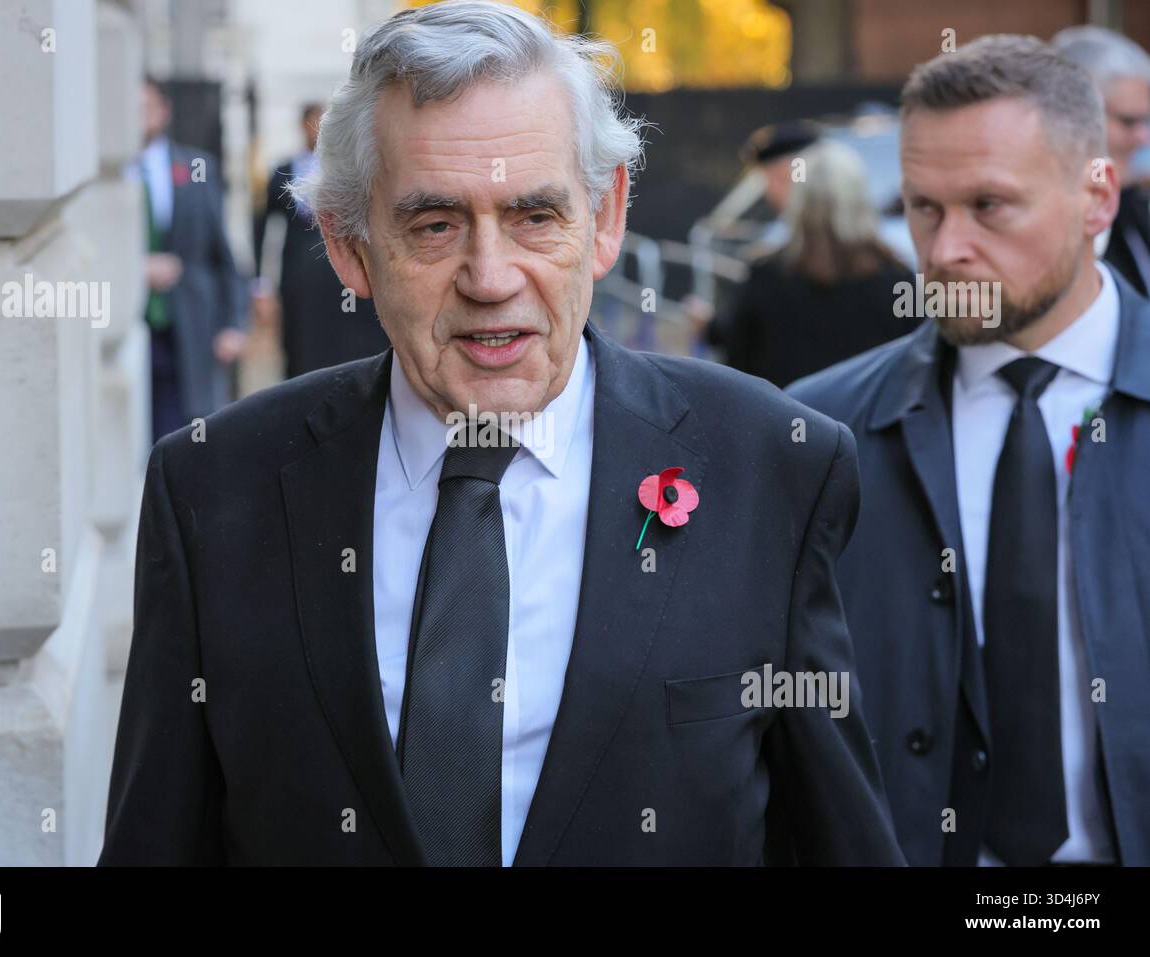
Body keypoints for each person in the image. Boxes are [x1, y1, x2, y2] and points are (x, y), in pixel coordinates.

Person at [99, 0, 902, 867]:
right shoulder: (214, 488)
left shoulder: (770, 465)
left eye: (535, 216)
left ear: (606, 217)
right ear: (347, 245)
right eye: (435, 225)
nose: (491, 277)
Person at [789, 35, 1150, 866]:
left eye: (989, 205)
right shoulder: (816, 432)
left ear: (1098, 199)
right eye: (923, 207)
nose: (946, 248)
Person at [706, 138, 918, 387]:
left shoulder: (766, 275)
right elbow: (916, 366)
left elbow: (739, 365)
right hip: (872, 411)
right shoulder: (898, 279)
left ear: (800, 198)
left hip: (784, 410)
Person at [135, 76, 247, 443]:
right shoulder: (106, 176)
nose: (139, 117)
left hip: (188, 325)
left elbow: (222, 253)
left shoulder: (197, 168)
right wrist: (133, 270)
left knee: (183, 435)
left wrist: (233, 322)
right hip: (129, 322)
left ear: (164, 111)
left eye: (146, 107)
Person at [253, 102, 389, 377]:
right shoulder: (283, 170)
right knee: (301, 339)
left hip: (340, 270)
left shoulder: (352, 168)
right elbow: (263, 226)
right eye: (311, 123)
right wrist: (260, 283)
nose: (316, 131)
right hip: (298, 271)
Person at [1053, 26, 1150, 296]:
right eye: (1128, 121)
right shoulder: (1050, 225)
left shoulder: (1131, 201)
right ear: (1073, 115)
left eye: (1146, 120)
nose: (1143, 138)